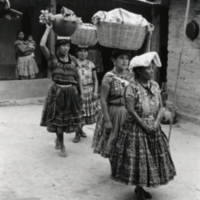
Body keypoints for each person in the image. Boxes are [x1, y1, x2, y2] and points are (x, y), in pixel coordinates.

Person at [110, 52, 176, 200]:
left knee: (150, 158)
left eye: (152, 67)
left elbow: (161, 107)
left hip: (153, 126)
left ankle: (142, 187)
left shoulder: (155, 85)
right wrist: (144, 126)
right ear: (138, 71)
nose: (152, 70)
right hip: (136, 127)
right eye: (148, 68)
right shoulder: (132, 87)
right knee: (139, 160)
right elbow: (131, 110)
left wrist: (156, 122)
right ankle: (139, 190)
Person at [40, 23, 83, 157]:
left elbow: (79, 77)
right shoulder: (52, 58)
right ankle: (62, 146)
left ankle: (58, 141)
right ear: (58, 46)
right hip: (57, 92)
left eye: (68, 45)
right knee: (58, 120)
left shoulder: (73, 59)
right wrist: (48, 29)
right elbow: (42, 45)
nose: (66, 48)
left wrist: (80, 92)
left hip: (71, 92)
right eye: (63, 45)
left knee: (67, 120)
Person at [92, 49, 134, 159]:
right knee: (113, 142)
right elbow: (103, 100)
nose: (125, 61)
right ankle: (114, 168)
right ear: (114, 60)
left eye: (127, 59)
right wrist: (107, 120)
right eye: (121, 58)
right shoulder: (109, 77)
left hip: (128, 113)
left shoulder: (131, 76)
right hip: (113, 113)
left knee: (127, 142)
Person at [73, 46, 101, 143]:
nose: (83, 53)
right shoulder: (73, 63)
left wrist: (95, 91)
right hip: (78, 90)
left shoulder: (91, 64)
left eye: (85, 51)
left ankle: (80, 130)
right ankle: (77, 133)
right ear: (77, 53)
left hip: (89, 90)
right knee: (79, 111)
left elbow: (95, 79)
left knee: (86, 112)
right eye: (80, 51)